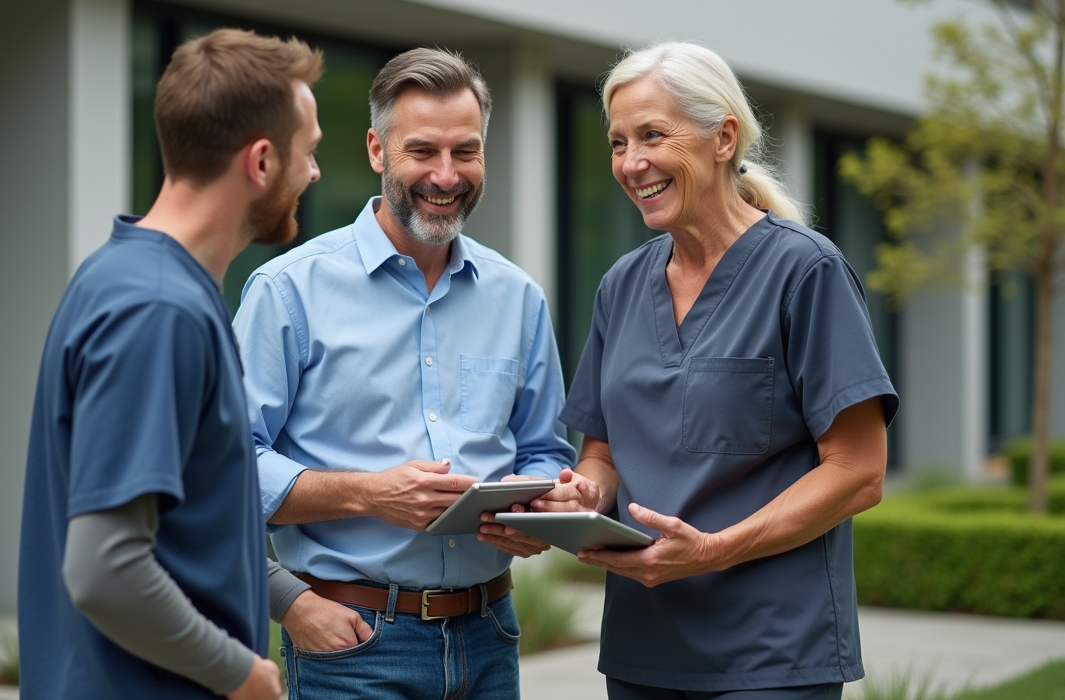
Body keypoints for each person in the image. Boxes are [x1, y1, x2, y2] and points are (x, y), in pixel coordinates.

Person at [535, 41, 900, 700]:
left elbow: (858, 472)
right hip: (643, 647)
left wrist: (713, 550)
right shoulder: (621, 285)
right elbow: (603, 452)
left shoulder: (806, 272)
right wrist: (583, 495)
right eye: (618, 142)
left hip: (770, 653)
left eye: (653, 135)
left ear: (724, 138)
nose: (631, 162)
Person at [232, 47, 576, 699]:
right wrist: (360, 506)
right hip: (351, 645)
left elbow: (543, 451)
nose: (446, 175)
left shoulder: (518, 296)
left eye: (465, 151)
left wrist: (537, 506)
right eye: (422, 151)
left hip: (490, 637)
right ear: (377, 150)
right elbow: (224, 465)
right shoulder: (288, 291)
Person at [18, 28, 324, 700]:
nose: (315, 173)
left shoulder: (135, 279)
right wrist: (241, 674)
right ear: (262, 161)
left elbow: (186, 523)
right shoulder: (159, 310)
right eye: (309, 152)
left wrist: (279, 595)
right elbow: (106, 570)